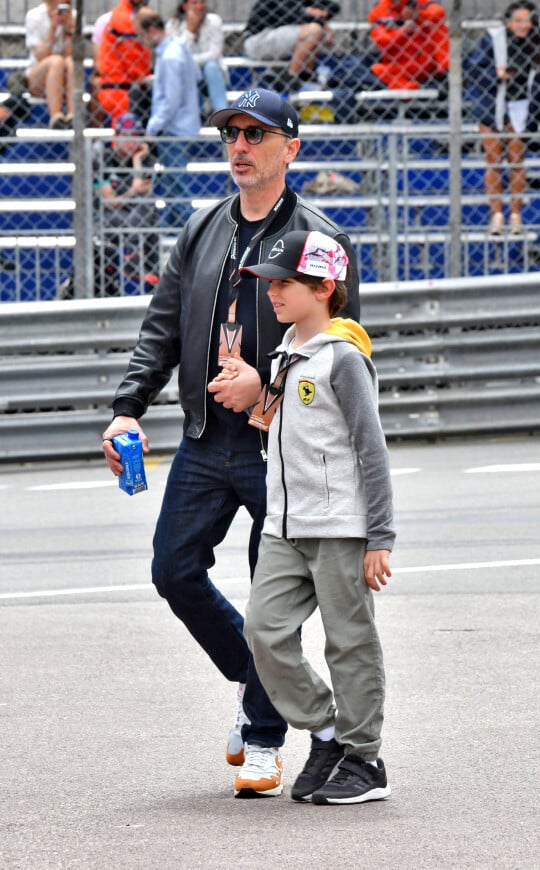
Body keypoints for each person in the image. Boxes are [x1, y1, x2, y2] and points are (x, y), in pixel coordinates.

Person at [101, 87, 360, 799]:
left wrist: (268, 392)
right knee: (172, 570)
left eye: (255, 134)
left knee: (271, 602)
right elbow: (161, 328)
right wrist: (127, 409)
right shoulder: (201, 228)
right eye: (230, 136)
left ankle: (265, 733)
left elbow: (344, 355)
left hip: (281, 449)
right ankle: (261, 679)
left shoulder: (321, 239)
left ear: (290, 148)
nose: (239, 147)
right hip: (204, 439)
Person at [240, 228, 395, 805]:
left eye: (285, 283)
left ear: (325, 287)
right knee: (264, 632)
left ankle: (366, 760)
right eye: (270, 282)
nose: (273, 292)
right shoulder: (285, 352)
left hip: (341, 528)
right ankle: (327, 730)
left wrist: (379, 535)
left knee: (349, 642)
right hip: (283, 525)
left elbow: (371, 451)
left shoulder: (343, 360)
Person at [463, 2, 540, 235]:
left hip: (521, 107)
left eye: (527, 21)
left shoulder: (538, 44)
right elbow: (473, 68)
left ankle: (515, 214)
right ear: (508, 21)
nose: (522, 25)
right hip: (492, 105)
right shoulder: (493, 39)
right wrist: (497, 75)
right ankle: (496, 214)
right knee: (493, 160)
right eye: (518, 20)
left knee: (516, 160)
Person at [59, 111, 159, 299]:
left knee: (148, 203)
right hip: (108, 219)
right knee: (145, 208)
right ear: (116, 136)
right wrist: (132, 191)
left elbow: (144, 193)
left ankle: (135, 258)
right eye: (126, 136)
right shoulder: (102, 157)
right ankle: (137, 257)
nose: (131, 142)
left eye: (136, 136)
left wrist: (137, 163)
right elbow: (110, 202)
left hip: (135, 218)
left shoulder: (146, 159)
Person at [133, 7, 201, 229]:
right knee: (172, 184)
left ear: (152, 30)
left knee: (177, 185)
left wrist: (151, 129)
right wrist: (157, 80)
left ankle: (190, 236)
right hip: (181, 124)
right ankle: (177, 231)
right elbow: (194, 77)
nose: (142, 42)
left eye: (142, 35)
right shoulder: (177, 48)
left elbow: (170, 102)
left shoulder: (170, 56)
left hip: (174, 128)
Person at [242, 1, 341, 95]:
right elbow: (291, 16)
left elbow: (334, 7)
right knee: (315, 30)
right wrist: (316, 18)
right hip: (259, 40)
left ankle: (305, 77)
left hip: (279, 37)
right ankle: (290, 78)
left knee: (318, 32)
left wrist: (320, 12)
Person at [368, 0, 449, 91]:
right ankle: (414, 89)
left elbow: (439, 13)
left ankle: (449, 73)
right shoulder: (378, 10)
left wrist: (419, 16)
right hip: (401, 65)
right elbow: (381, 41)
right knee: (377, 69)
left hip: (427, 59)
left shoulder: (419, 2)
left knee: (439, 27)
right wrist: (403, 31)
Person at [166, 0, 228, 115]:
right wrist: (189, 30)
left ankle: (222, 113)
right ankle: (195, 114)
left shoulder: (214, 21)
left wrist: (189, 60)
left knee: (211, 67)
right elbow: (177, 54)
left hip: (212, 73)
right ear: (184, 6)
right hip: (187, 74)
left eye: (202, 2)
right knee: (188, 70)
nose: (200, 6)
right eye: (194, 3)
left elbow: (215, 53)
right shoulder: (174, 25)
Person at [97, 0, 151, 128]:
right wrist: (143, 77)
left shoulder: (129, 13)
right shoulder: (125, 17)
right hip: (120, 88)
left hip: (121, 86)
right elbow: (132, 56)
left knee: (127, 134)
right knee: (127, 135)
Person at [24, 0, 75, 129]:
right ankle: (56, 117)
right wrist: (53, 28)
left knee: (69, 62)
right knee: (56, 61)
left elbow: (72, 56)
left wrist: (69, 32)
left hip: (65, 78)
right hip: (39, 76)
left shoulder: (74, 16)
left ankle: (73, 115)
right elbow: (40, 56)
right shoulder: (34, 16)